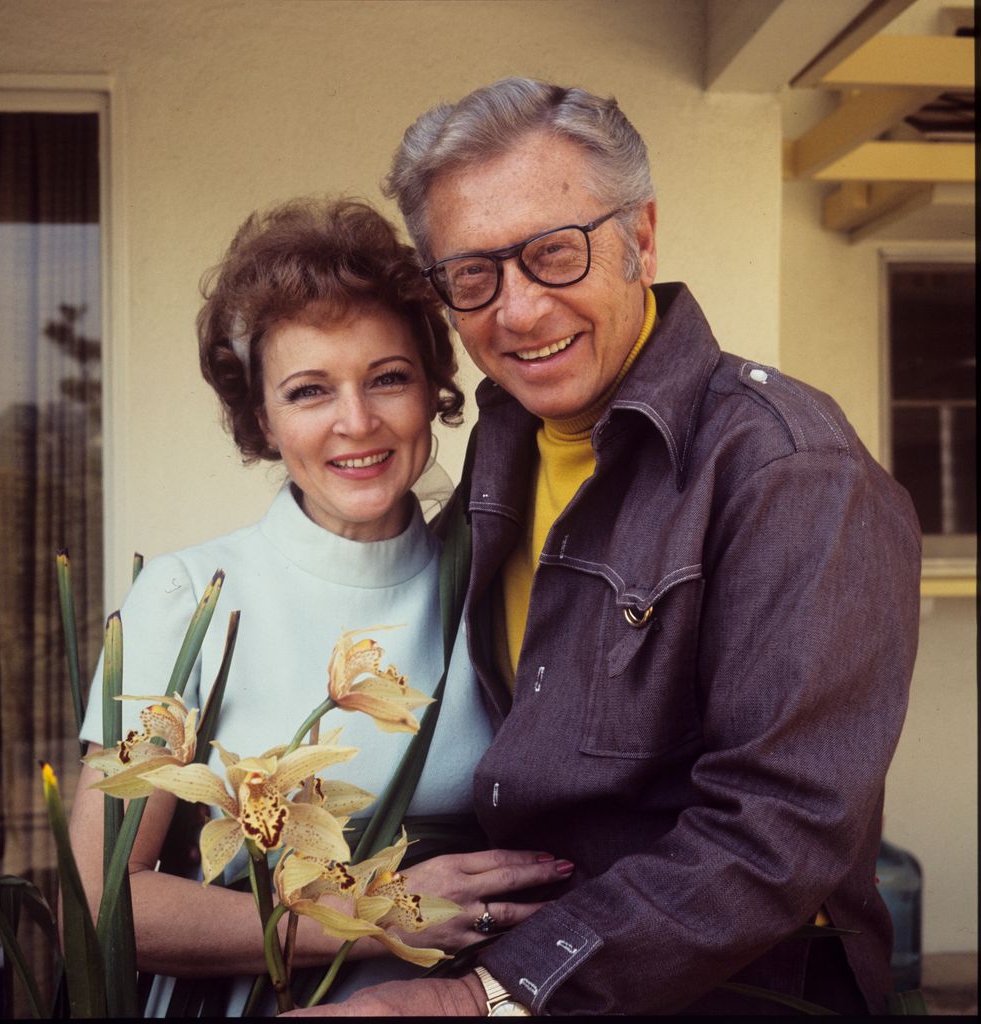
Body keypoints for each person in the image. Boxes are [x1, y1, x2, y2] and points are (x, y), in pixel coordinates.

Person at [282, 78, 922, 1017]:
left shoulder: (788, 471)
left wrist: (480, 1000)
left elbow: (775, 835)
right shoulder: (502, 444)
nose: (520, 311)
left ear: (641, 238)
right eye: (473, 274)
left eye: (554, 253)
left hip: (736, 989)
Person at [68, 197, 572, 1016]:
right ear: (260, 419)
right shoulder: (185, 599)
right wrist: (372, 914)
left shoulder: (496, 581)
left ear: (435, 390)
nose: (356, 422)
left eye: (388, 378)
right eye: (309, 391)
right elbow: (94, 903)